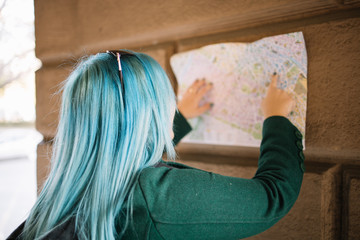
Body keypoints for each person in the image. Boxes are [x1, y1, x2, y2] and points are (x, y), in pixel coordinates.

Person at [8, 50, 304, 240]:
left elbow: (120, 154)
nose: (172, 107)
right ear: (153, 113)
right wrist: (276, 118)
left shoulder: (56, 199)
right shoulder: (157, 198)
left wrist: (176, 122)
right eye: (167, 101)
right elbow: (272, 197)